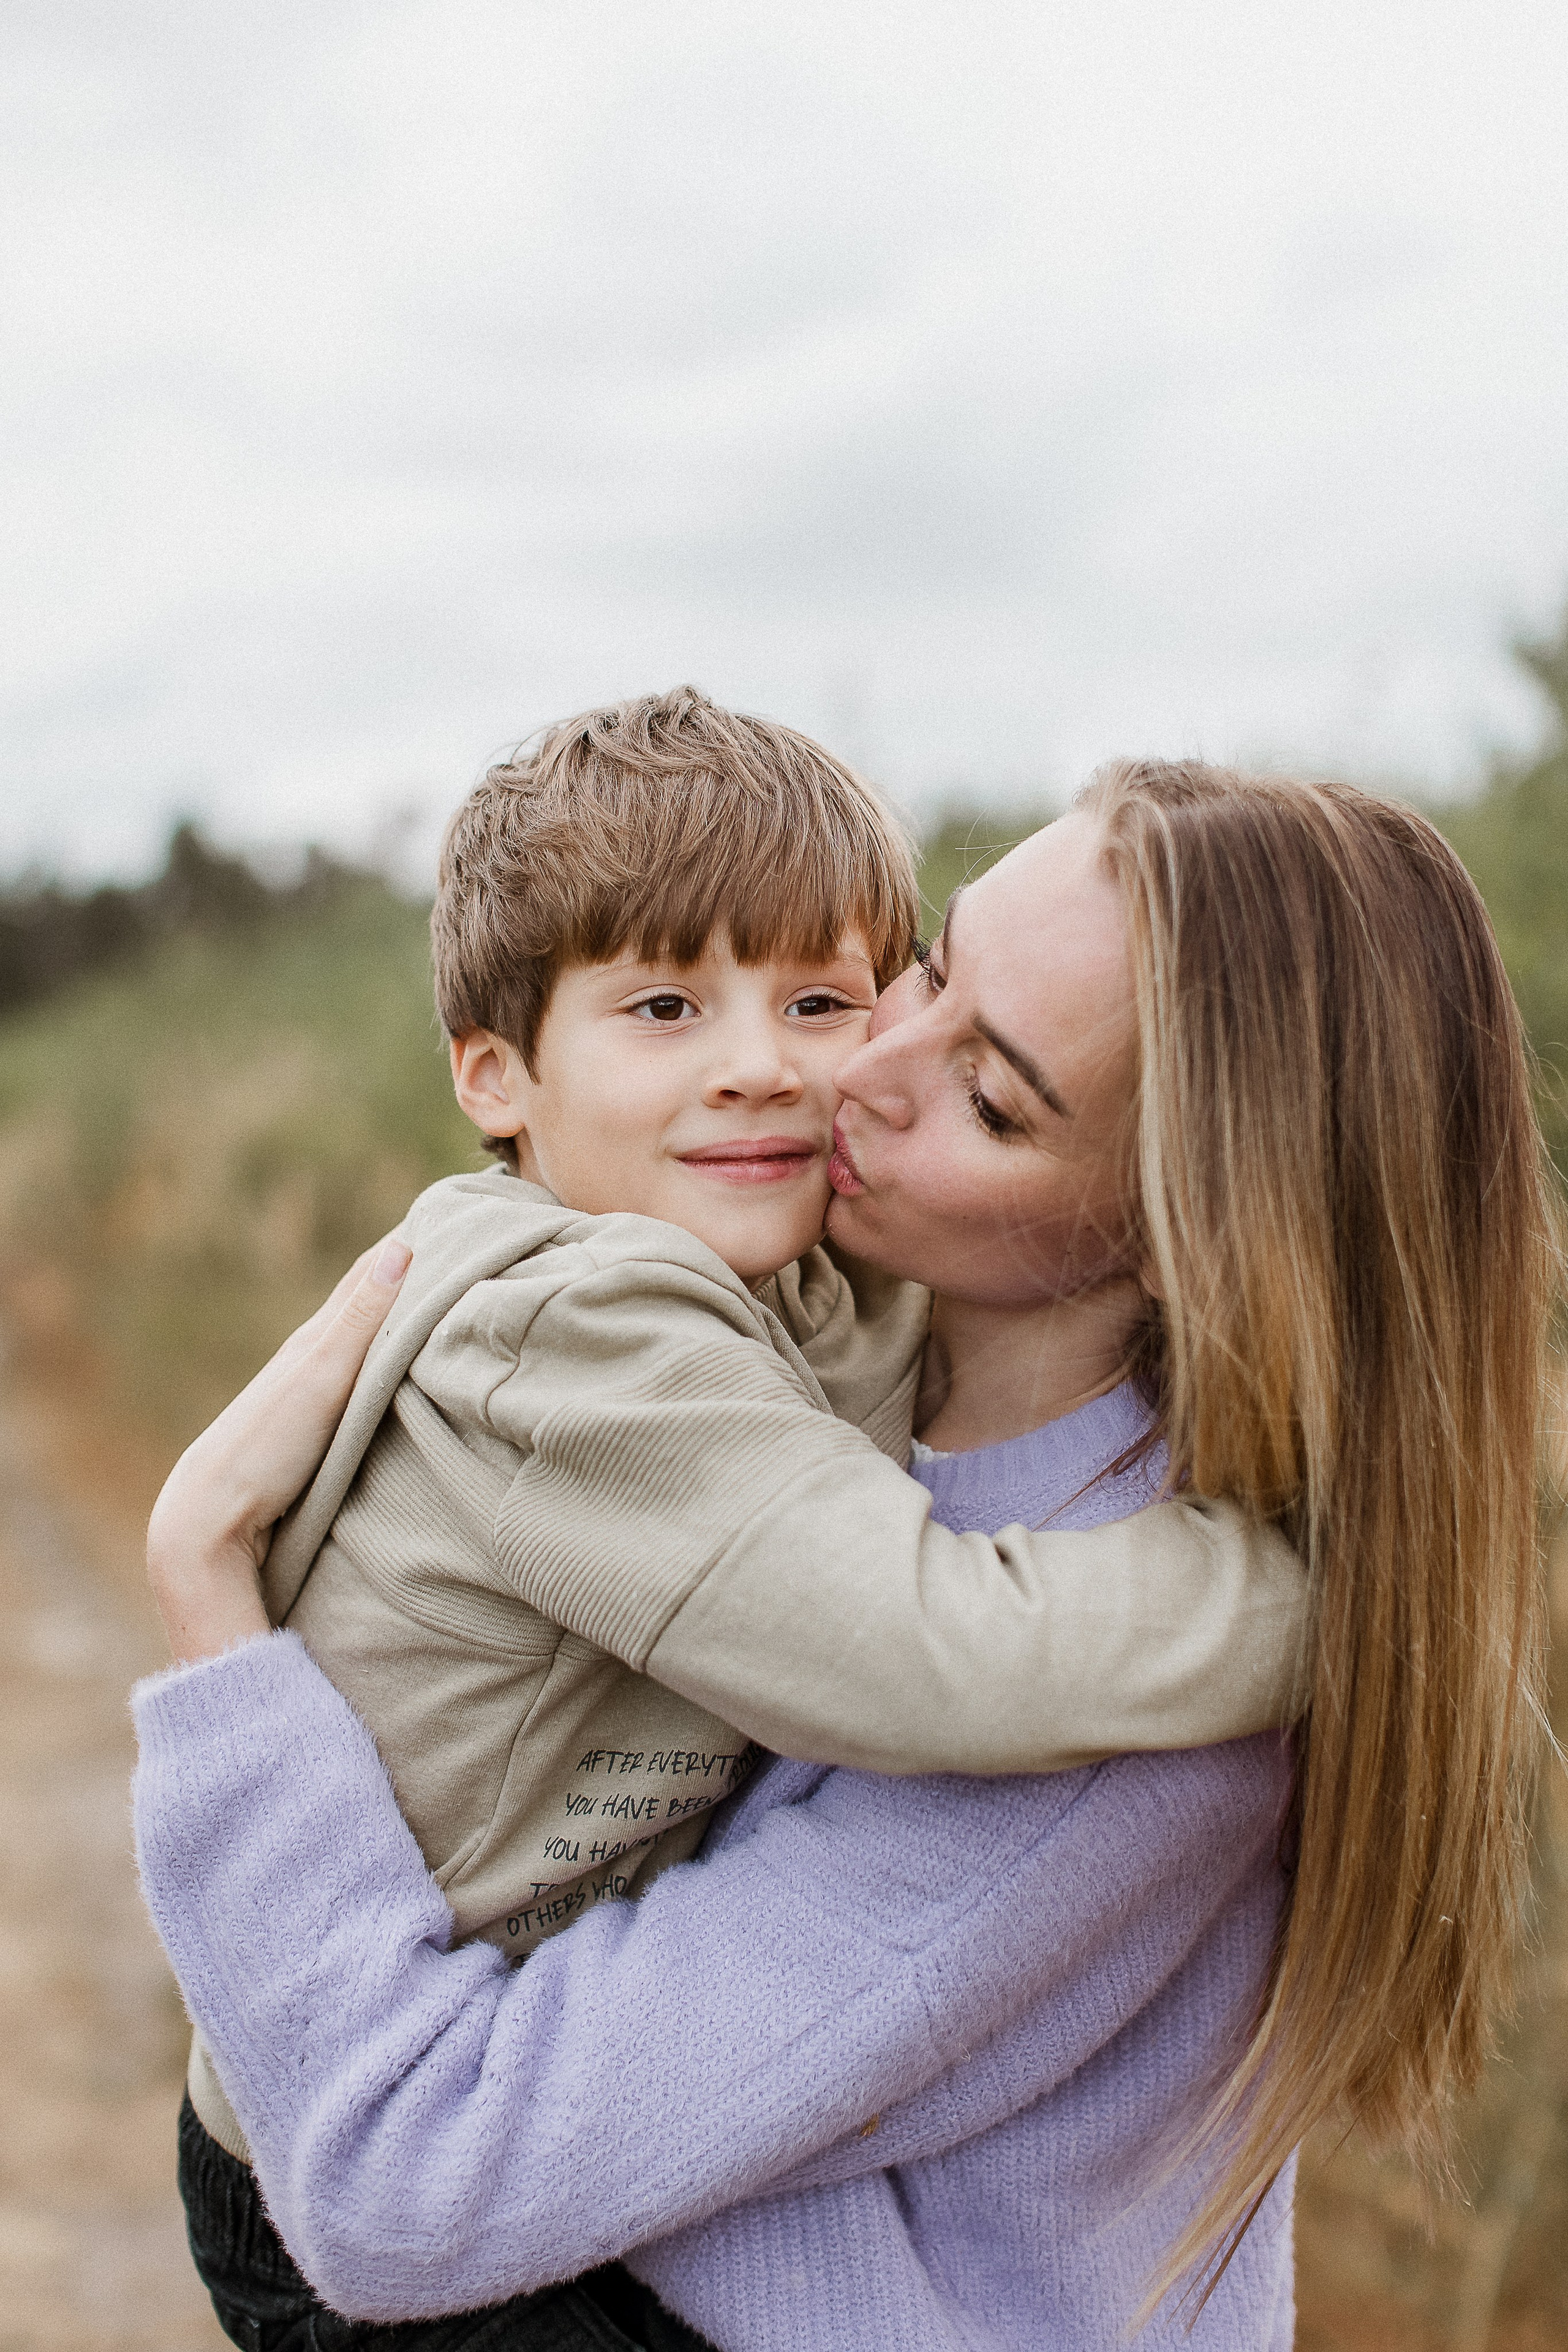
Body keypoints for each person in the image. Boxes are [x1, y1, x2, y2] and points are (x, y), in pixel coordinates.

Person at [135, 760, 1558, 2350]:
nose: (853, 1071)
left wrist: (215, 1616)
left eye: (992, 1099)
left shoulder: (1113, 1714)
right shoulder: (808, 1347)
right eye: (928, 969)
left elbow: (399, 2181)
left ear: (1184, 1234)